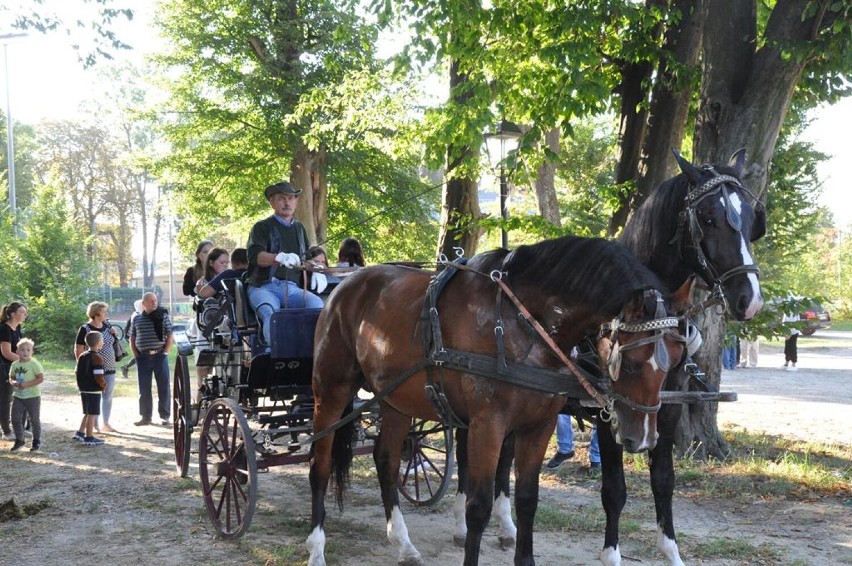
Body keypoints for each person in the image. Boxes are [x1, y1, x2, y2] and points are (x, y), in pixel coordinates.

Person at [246, 181, 327, 347]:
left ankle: (310, 351)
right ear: (272, 202)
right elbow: (256, 256)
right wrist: (280, 257)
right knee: (271, 313)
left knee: (317, 306)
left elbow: (302, 259)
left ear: (296, 202)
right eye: (281, 199)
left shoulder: (299, 228)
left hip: (292, 288)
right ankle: (276, 356)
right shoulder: (261, 227)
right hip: (264, 287)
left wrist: (315, 268)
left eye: (291, 198)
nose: (287, 203)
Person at [129, 292, 173, 426]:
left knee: (163, 387)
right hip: (143, 357)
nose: (154, 303)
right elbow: (132, 338)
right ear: (144, 304)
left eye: (155, 300)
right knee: (144, 389)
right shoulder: (136, 319)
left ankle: (164, 416)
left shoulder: (163, 317)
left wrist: (165, 352)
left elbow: (170, 335)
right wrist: (137, 355)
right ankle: (146, 417)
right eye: (151, 301)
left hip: (159, 356)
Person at [75, 302, 119, 433]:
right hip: (92, 368)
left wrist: (114, 334)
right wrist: (82, 366)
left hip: (109, 367)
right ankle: (94, 423)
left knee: (108, 395)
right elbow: (79, 349)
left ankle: (106, 422)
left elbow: (114, 343)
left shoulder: (107, 326)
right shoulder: (85, 328)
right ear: (96, 314)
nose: (106, 314)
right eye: (104, 312)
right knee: (94, 396)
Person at [8, 338, 44, 452]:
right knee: (15, 418)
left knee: (34, 419)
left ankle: (36, 440)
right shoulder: (15, 364)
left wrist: (27, 384)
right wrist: (13, 382)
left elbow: (40, 378)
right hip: (18, 396)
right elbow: (11, 377)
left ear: (32, 352)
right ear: (17, 351)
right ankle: (20, 439)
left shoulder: (34, 364)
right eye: (22, 350)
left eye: (28, 350)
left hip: (33, 396)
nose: (25, 352)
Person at [73, 331, 106, 446]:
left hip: (83, 388)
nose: (103, 342)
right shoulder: (97, 358)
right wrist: (103, 386)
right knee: (92, 413)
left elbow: (77, 371)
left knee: (87, 412)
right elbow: (99, 375)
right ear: (97, 343)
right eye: (102, 340)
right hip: (93, 389)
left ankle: (80, 433)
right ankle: (89, 437)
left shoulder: (82, 356)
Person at [0, 302, 28, 440]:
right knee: (5, 400)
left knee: (22, 396)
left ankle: (20, 429)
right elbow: (6, 353)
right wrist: (24, 360)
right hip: (5, 369)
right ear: (12, 314)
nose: (25, 314)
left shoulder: (18, 328)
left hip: (18, 368)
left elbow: (20, 349)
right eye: (22, 311)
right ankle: (6, 431)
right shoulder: (4, 329)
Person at [120, 299, 144, 379]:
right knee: (140, 355)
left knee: (140, 355)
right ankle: (126, 367)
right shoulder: (136, 315)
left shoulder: (138, 314)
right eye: (142, 305)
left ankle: (125, 367)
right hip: (135, 338)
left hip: (138, 338)